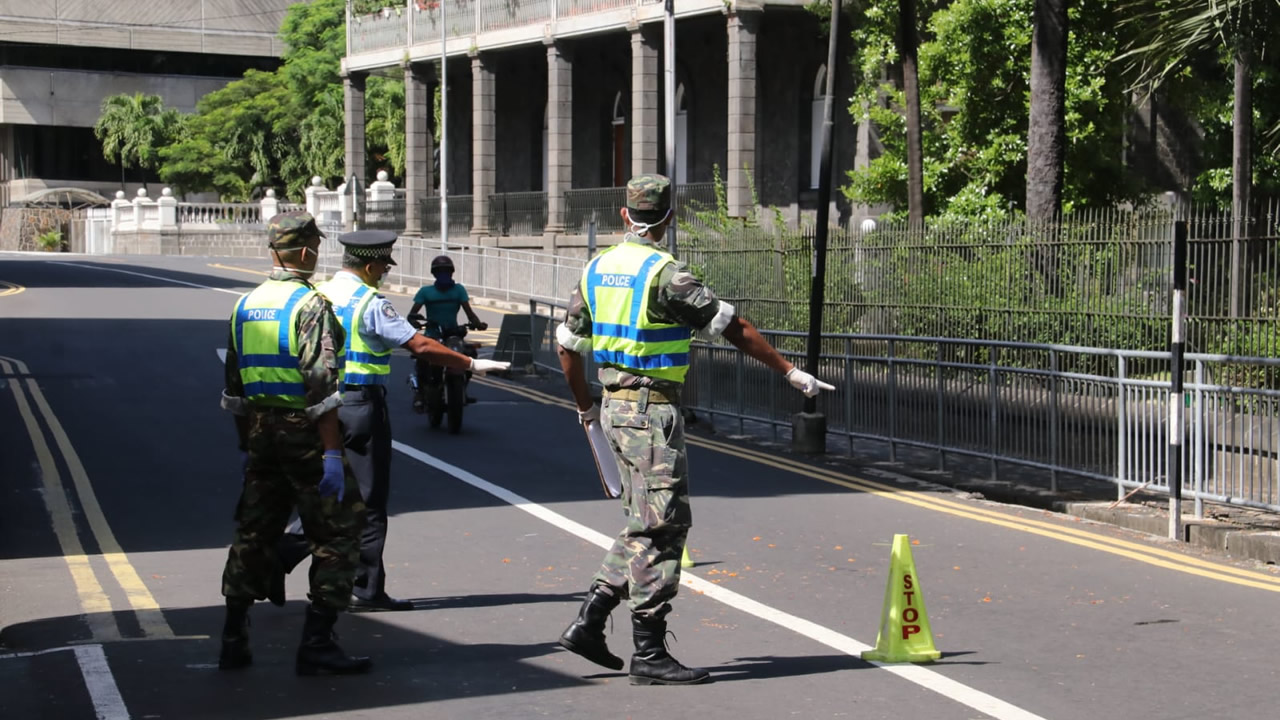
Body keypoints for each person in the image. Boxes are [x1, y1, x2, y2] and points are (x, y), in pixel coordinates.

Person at [554, 175, 836, 686]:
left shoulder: (596, 269)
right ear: (668, 220)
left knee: (646, 521)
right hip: (651, 410)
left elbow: (566, 347)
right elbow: (733, 327)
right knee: (665, 527)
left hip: (616, 409)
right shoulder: (667, 274)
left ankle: (590, 621)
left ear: (624, 216)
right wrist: (790, 371)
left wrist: (587, 410)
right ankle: (648, 649)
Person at [277, 231, 511, 611]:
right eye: (384, 266)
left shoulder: (316, 294)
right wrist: (471, 363)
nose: (385, 273)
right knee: (368, 499)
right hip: (358, 405)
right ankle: (365, 588)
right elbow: (416, 344)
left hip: (316, 405)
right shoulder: (368, 301)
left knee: (326, 490)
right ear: (369, 266)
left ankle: (280, 555)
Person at [218, 211, 371, 676]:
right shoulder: (310, 306)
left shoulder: (245, 304)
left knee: (253, 531)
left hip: (261, 431)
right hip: (304, 433)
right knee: (339, 534)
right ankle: (318, 641)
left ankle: (232, 637)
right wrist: (329, 454)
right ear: (305, 251)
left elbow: (233, 390)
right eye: (316, 247)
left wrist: (250, 446)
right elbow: (321, 387)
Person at [409, 255, 487, 409]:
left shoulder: (459, 290)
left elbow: (469, 313)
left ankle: (462, 388)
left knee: (470, 355)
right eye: (440, 271)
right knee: (422, 358)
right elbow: (412, 314)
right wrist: (414, 321)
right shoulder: (425, 292)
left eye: (446, 271)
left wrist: (478, 324)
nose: (443, 274)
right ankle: (420, 392)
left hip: (453, 334)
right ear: (434, 274)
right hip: (432, 334)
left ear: (452, 273)